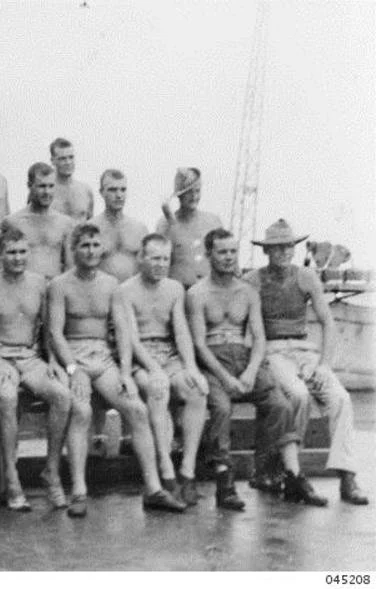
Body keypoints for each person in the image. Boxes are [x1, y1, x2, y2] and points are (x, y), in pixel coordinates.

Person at [48, 223, 186, 515]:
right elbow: (55, 333)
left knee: (137, 410)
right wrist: (72, 369)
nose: (90, 251)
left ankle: (154, 489)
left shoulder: (111, 284)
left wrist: (124, 372)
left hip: (103, 357)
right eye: (84, 246)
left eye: (95, 245)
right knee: (82, 411)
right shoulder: (59, 285)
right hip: (73, 355)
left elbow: (123, 331)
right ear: (73, 250)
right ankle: (79, 491)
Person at [187, 228, 323, 510]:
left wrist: (250, 372)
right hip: (214, 359)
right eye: (222, 252)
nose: (228, 257)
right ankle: (224, 481)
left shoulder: (247, 291)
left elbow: (259, 338)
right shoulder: (197, 293)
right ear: (209, 255)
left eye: (232, 252)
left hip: (244, 356)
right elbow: (199, 344)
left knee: (280, 405)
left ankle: (293, 475)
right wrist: (225, 377)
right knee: (221, 408)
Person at [244, 219, 368, 505]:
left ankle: (347, 476)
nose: (284, 252)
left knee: (340, 398)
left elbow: (328, 322)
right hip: (273, 350)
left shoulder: (306, 277)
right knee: (297, 394)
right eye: (277, 247)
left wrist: (324, 365)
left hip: (304, 349)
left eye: (289, 246)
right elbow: (248, 326)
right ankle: (292, 473)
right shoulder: (253, 281)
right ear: (266, 251)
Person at [0, 225, 83, 511]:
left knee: (62, 395)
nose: (18, 258)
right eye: (11, 252)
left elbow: (47, 329)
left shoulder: (39, 283)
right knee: (7, 396)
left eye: (23, 252)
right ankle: (11, 478)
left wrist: (54, 361)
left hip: (29, 357)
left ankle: (51, 471)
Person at [118, 233, 208, 505]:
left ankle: (187, 472)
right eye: (155, 258)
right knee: (158, 390)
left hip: (169, 354)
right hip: (141, 356)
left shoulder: (174, 288)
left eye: (165, 259)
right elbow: (131, 339)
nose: (160, 264)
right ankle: (166, 469)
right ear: (141, 258)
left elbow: (180, 332)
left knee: (197, 391)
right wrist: (154, 369)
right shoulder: (126, 291)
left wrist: (191, 367)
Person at [2, 163, 75, 280]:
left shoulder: (65, 223)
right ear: (29, 185)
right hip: (25, 287)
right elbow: (4, 265)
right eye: (42, 186)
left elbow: (70, 266)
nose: (47, 192)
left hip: (54, 286)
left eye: (51, 186)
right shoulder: (13, 222)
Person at [156, 168, 223, 288]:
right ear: (179, 195)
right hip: (178, 289)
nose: (194, 196)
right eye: (189, 192)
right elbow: (158, 261)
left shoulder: (213, 222)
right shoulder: (165, 224)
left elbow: (225, 255)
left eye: (197, 191)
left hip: (208, 290)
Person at [89, 169, 148, 283]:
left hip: (131, 291)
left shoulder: (139, 229)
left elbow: (147, 267)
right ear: (101, 192)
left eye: (123, 189)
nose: (119, 195)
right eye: (113, 190)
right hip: (102, 290)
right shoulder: (91, 229)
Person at [49, 138, 94, 222]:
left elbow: (90, 225)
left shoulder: (85, 190)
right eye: (62, 158)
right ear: (53, 161)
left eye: (71, 157)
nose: (68, 162)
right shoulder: (45, 192)